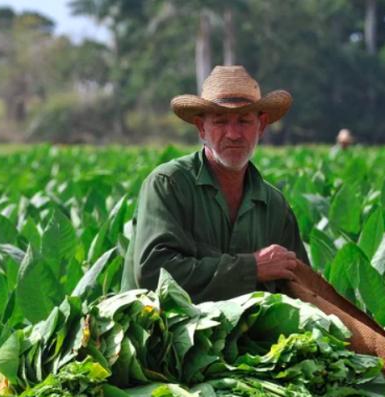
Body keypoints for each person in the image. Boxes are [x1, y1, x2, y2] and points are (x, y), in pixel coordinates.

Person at [121, 65, 309, 302]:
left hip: (245, 337)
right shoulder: (168, 184)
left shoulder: (274, 205)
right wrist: (252, 268)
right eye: (220, 122)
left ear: (261, 126)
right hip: (161, 333)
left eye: (244, 121)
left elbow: (301, 287)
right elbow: (152, 274)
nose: (233, 133)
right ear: (202, 128)